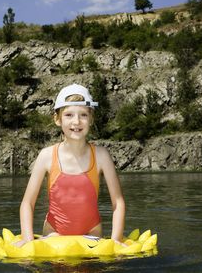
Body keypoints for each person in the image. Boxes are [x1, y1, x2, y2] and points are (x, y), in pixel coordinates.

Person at [15, 83, 125, 247]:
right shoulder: (46, 156)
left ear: (91, 118)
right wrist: (27, 239)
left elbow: (118, 202)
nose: (76, 121)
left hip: (91, 233)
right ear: (57, 119)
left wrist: (116, 240)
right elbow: (27, 203)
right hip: (54, 233)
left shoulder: (101, 156)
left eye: (83, 115)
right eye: (69, 115)